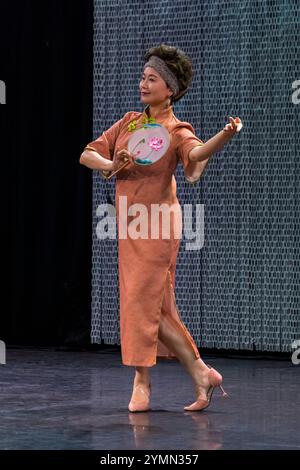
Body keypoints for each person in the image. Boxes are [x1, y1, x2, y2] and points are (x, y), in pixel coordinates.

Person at [80, 43, 243, 412]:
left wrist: (225, 135)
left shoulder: (175, 128)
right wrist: (112, 159)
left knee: (140, 301)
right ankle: (201, 374)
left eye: (151, 79)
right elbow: (87, 154)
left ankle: (142, 381)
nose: (143, 83)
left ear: (169, 88)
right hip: (129, 225)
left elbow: (197, 154)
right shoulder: (128, 122)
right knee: (154, 305)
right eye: (142, 77)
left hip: (158, 225)